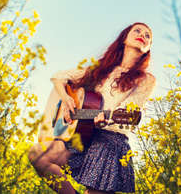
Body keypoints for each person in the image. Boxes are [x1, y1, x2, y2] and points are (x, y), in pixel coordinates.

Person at [28, 22, 156, 194]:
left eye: (148, 35)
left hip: (109, 142)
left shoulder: (146, 79)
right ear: (124, 38)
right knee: (38, 154)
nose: (143, 35)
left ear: (148, 48)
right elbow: (59, 77)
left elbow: (130, 112)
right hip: (82, 136)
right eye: (137, 30)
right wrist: (66, 100)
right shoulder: (101, 69)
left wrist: (104, 117)